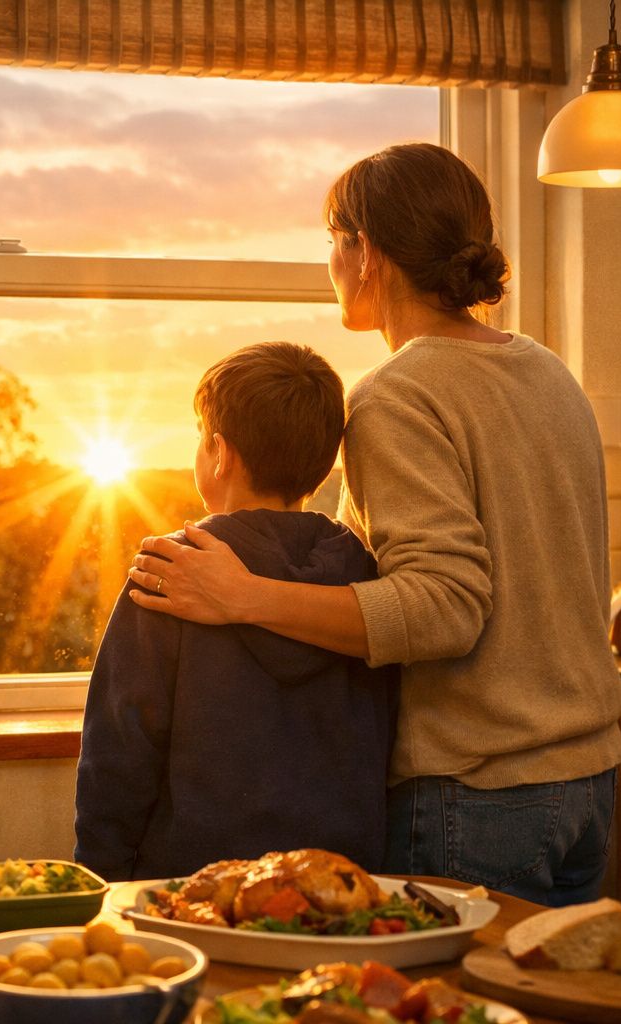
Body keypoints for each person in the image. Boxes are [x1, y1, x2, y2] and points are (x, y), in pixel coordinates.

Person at [125, 143, 621, 906]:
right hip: (589, 787)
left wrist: (242, 595)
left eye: (333, 237)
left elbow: (444, 607)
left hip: (479, 798)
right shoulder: (547, 371)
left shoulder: (397, 394)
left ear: (368, 253)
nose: (329, 259)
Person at [73, 341, 399, 882]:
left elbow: (118, 752)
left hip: (194, 888)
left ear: (220, 453)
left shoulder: (173, 569)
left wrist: (100, 884)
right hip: (340, 884)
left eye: (201, 439)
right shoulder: (362, 576)